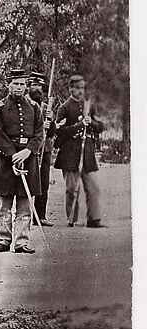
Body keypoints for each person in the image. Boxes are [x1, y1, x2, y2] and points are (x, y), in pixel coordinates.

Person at [0, 67, 45, 253]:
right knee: (4, 204)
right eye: (16, 84)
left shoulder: (35, 108)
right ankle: (3, 240)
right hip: (7, 160)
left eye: (22, 84)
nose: (19, 88)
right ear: (8, 85)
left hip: (28, 159)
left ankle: (22, 242)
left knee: (25, 205)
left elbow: (39, 134)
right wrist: (13, 155)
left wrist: (28, 152)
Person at [53, 73, 104, 228]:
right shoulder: (64, 108)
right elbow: (59, 131)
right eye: (77, 88)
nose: (80, 91)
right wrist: (79, 125)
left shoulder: (89, 106)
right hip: (69, 153)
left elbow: (100, 127)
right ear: (71, 89)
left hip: (86, 152)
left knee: (93, 187)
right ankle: (72, 219)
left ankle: (94, 219)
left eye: (82, 88)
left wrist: (92, 124)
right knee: (71, 189)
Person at [27, 70, 57, 225]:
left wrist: (50, 122)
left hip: (44, 150)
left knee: (43, 183)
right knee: (27, 183)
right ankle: (25, 214)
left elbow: (52, 133)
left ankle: (40, 215)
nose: (37, 88)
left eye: (40, 85)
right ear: (29, 87)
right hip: (30, 149)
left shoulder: (46, 107)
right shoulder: (25, 105)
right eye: (34, 85)